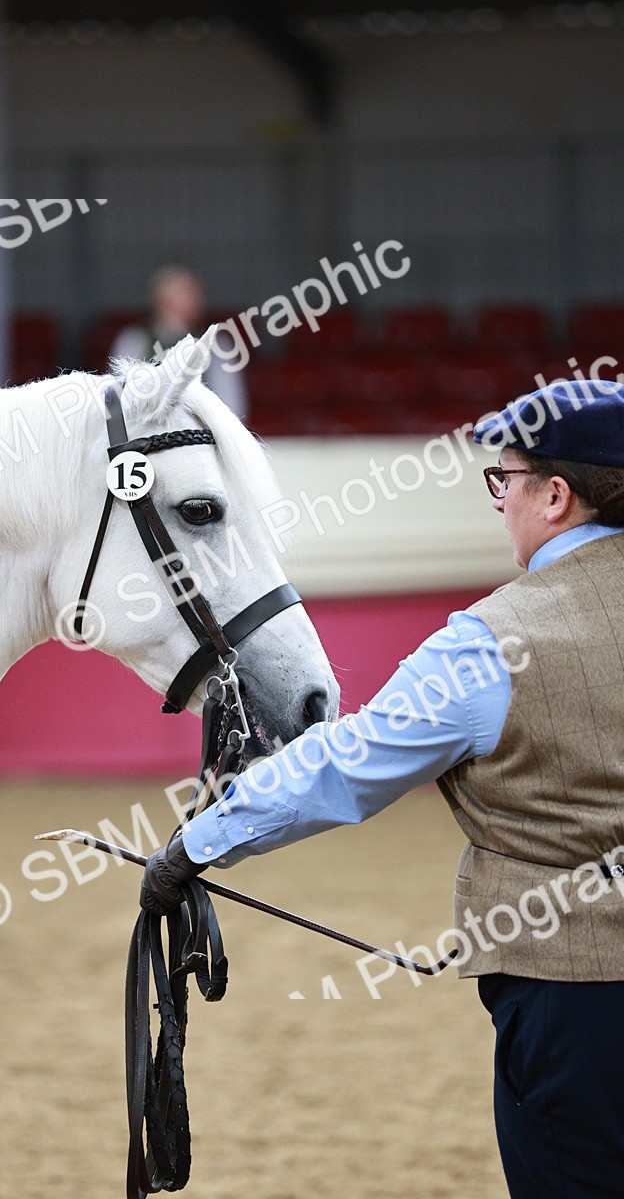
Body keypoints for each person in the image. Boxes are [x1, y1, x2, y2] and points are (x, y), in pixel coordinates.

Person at [142, 378, 624, 1198]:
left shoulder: (491, 642)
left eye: (501, 482)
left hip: (571, 990)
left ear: (555, 494)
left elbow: (347, 766)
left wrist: (202, 840)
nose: (497, 502)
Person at [111, 265, 248, 421]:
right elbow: (121, 401)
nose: (198, 300)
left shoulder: (218, 343)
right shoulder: (133, 341)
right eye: (187, 292)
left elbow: (232, 407)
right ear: (164, 299)